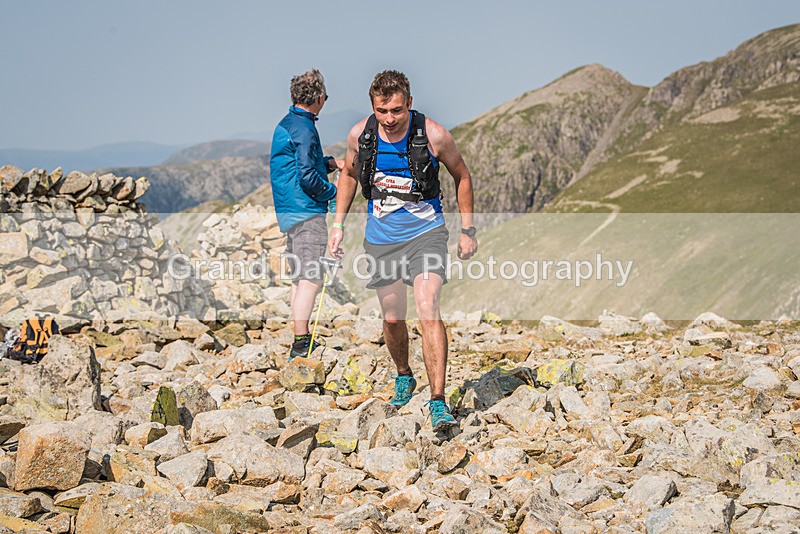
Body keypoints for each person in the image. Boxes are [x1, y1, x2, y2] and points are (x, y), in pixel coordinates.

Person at [328, 70, 478, 431]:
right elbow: (348, 175)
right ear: (373, 107)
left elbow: (463, 176)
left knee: (428, 307)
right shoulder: (360, 136)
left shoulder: (434, 135)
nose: (390, 119)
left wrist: (468, 230)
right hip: (381, 239)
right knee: (393, 317)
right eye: (382, 111)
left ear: (409, 103)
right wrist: (337, 226)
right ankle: (403, 374)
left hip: (427, 234)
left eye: (397, 110)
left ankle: (438, 400)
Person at [270, 68, 343, 360]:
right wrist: (334, 193)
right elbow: (307, 178)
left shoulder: (289, 123)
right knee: (311, 278)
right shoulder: (305, 129)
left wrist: (328, 162)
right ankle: (301, 343)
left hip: (289, 212)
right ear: (319, 98)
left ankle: (300, 337)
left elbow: (303, 164)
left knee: (299, 279)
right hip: (307, 212)